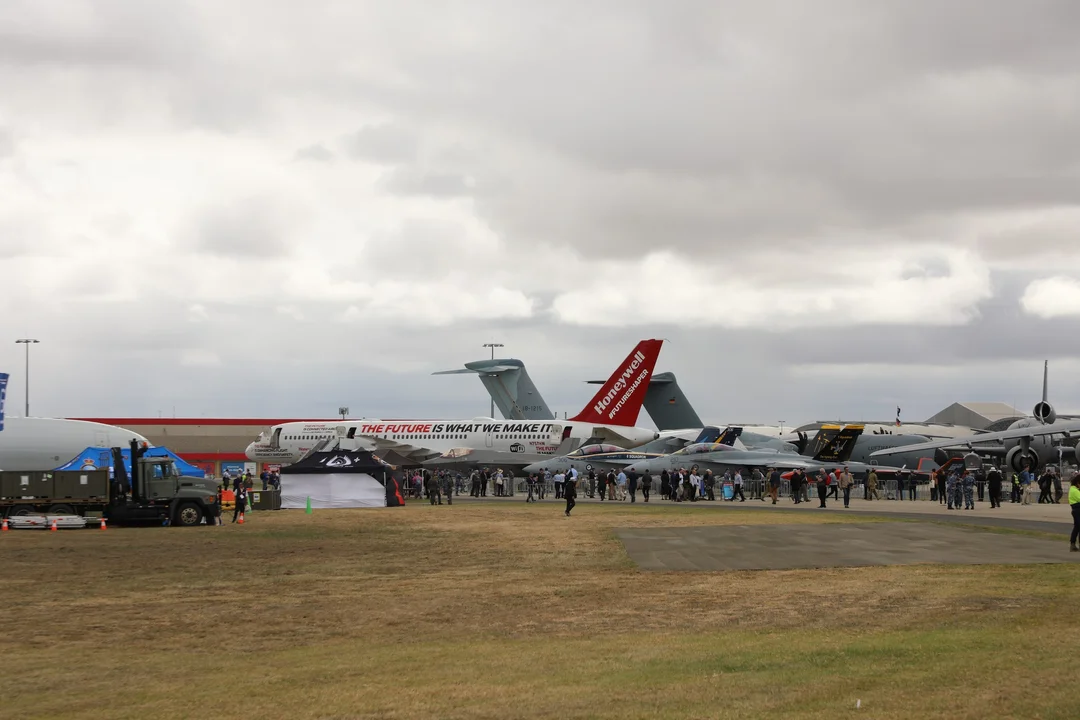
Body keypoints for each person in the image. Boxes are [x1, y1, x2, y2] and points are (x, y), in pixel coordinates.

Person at [1069, 474, 1080, 552]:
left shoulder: (1075, 489)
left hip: (1076, 510)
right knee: (1078, 527)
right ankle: (1073, 544)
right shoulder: (1074, 490)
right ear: (1077, 483)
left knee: (1077, 527)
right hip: (1077, 510)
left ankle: (1072, 544)